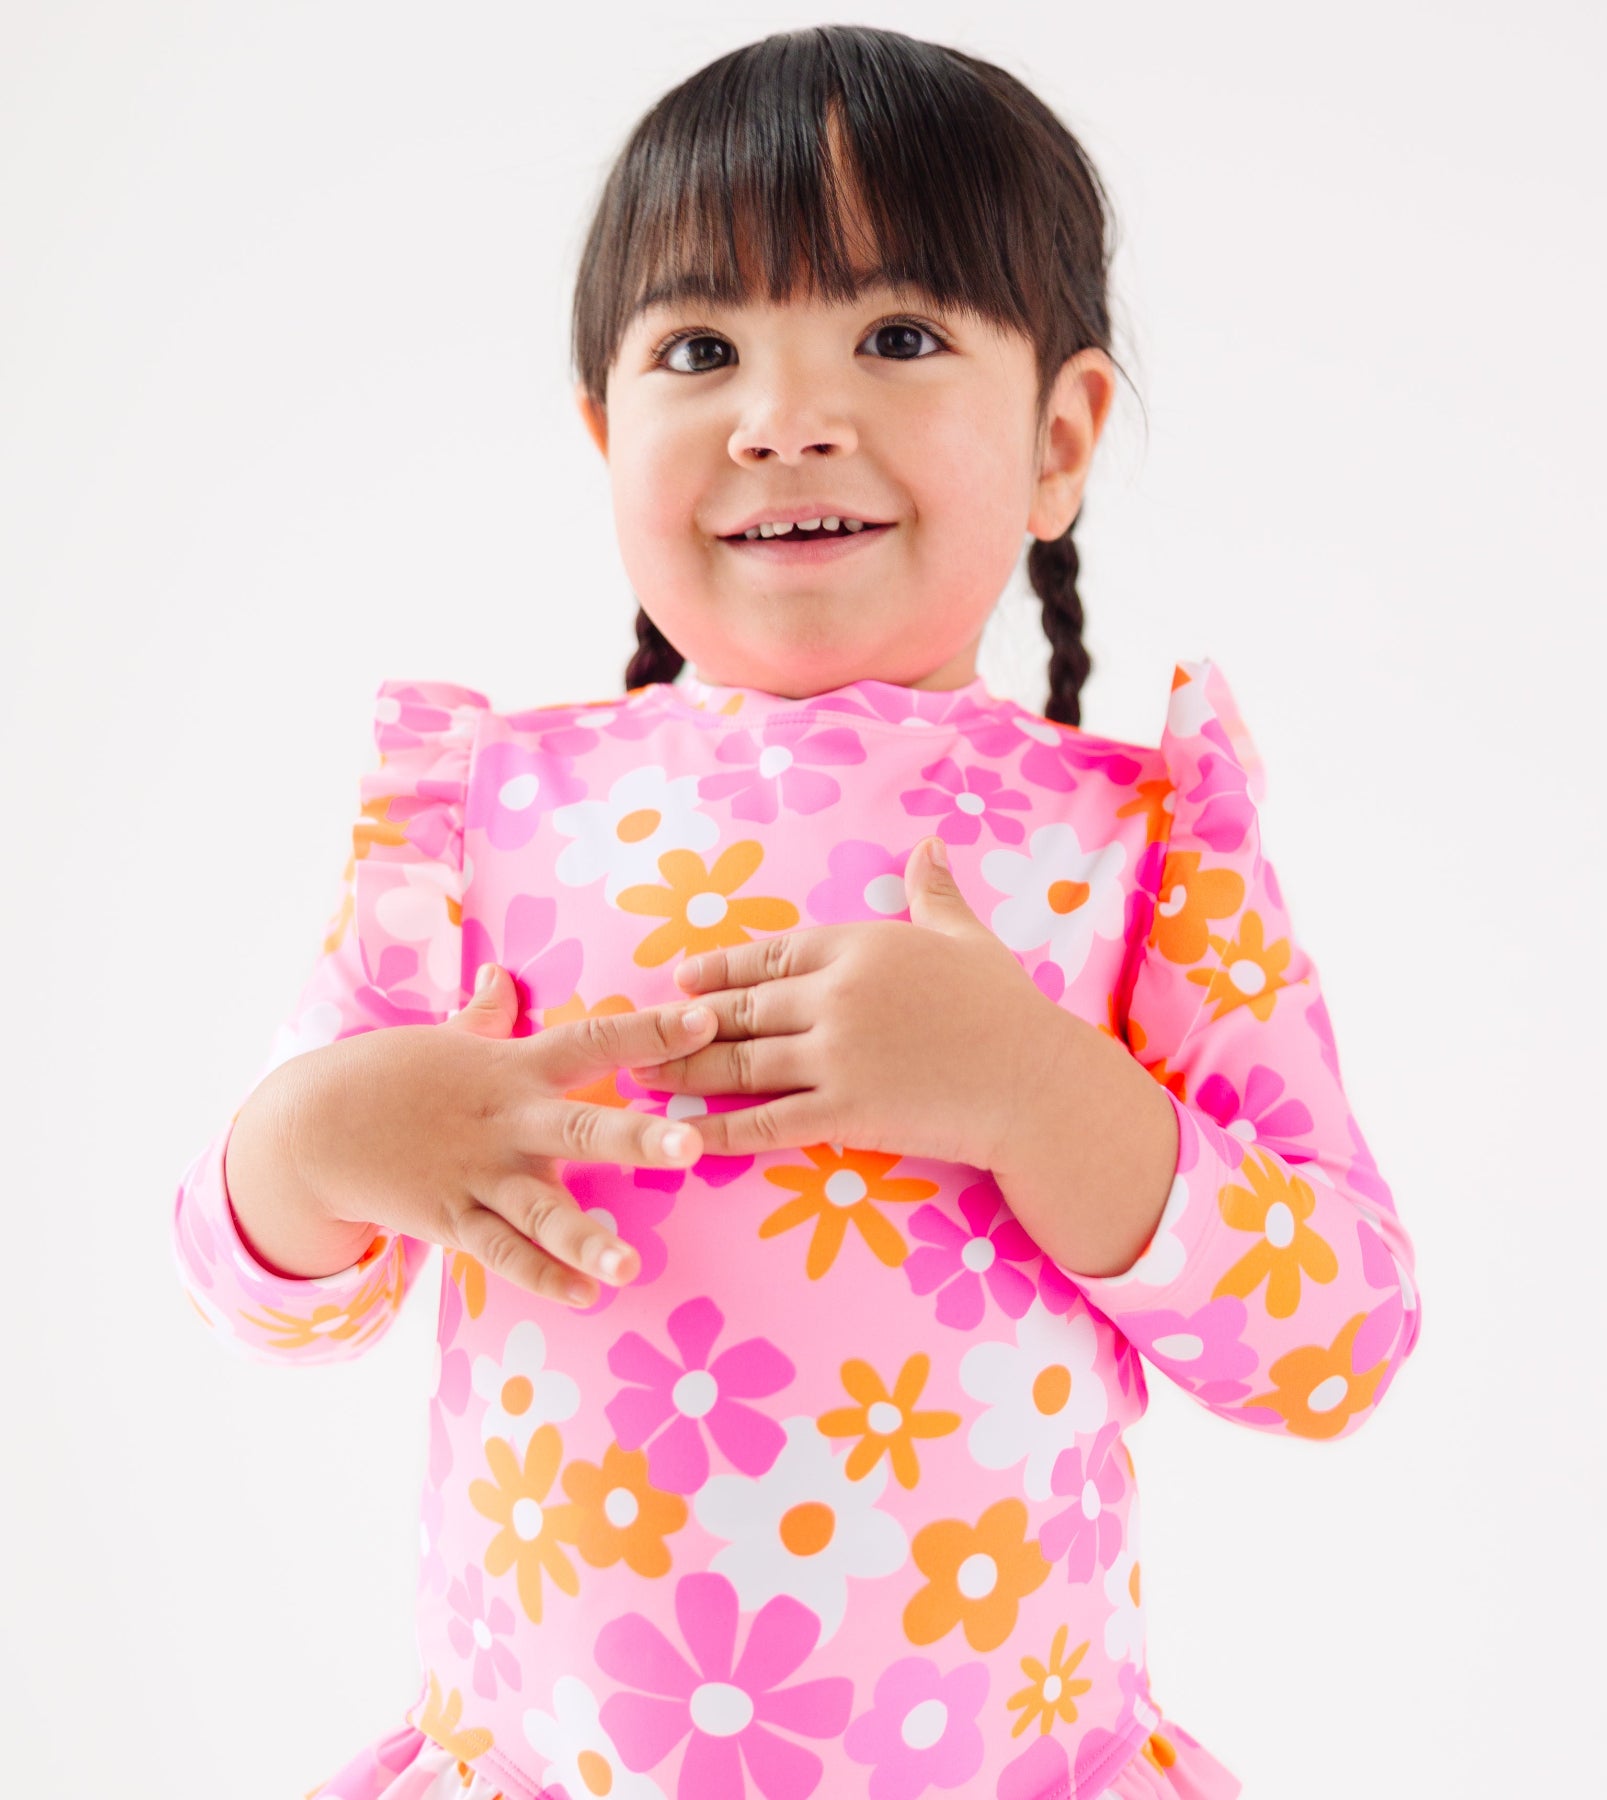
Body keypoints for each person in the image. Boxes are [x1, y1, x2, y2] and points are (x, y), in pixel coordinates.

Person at [170, 25, 1420, 1800]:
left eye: (896, 338)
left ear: (1061, 439)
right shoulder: (483, 823)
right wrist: (311, 1149)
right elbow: (257, 1292)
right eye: (702, 350)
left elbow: (1338, 1337)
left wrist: (1036, 1093)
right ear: (608, 434)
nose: (785, 418)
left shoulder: (1139, 847)